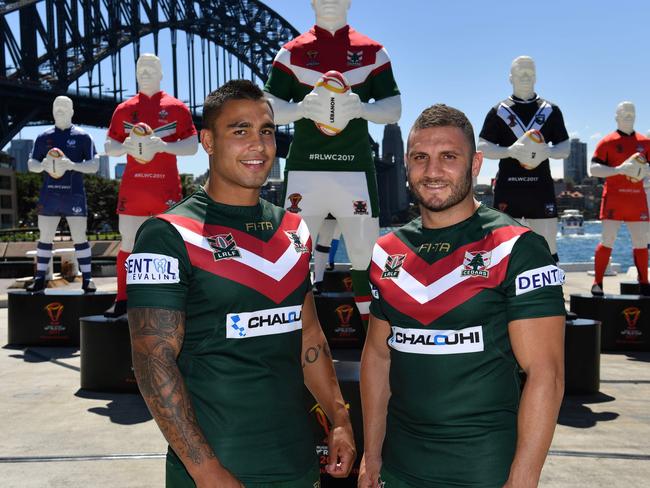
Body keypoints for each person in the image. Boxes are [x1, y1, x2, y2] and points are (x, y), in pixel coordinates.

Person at [127, 80, 355, 487]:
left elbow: (307, 334)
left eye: (266, 130)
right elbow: (152, 363)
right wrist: (205, 470)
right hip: (217, 470)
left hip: (298, 463)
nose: (259, 144)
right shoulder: (167, 234)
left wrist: (339, 417)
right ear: (208, 141)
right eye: (240, 130)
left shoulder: (293, 228)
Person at [359, 104, 565, 488]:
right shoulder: (387, 250)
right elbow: (379, 355)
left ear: (475, 165)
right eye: (421, 157)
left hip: (484, 469)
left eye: (449, 157)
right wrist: (371, 455)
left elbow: (546, 375)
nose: (433, 171)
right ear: (406, 164)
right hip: (399, 467)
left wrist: (523, 478)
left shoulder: (517, 247)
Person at [264, 0, 401, 324]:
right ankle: (293, 346)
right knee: (291, 260)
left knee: (365, 259)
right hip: (304, 173)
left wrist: (361, 108)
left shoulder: (372, 52)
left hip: (354, 171)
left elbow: (393, 108)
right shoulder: (291, 53)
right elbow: (266, 107)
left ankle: (376, 351)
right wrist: (300, 109)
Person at [104, 53, 198, 317]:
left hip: (165, 189)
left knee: (170, 244)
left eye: (150, 67)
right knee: (128, 242)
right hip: (134, 188)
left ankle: (172, 300)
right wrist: (125, 146)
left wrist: (164, 146)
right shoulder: (123, 109)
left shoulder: (177, 107)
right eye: (140, 68)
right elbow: (109, 145)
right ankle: (122, 299)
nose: (145, 72)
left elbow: (192, 146)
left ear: (161, 72)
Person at [478, 56, 570, 262]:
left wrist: (549, 151)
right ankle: (504, 293)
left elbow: (565, 148)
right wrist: (509, 151)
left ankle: (552, 293)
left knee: (548, 247)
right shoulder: (499, 111)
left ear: (536, 76)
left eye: (530, 72)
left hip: (541, 188)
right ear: (510, 78)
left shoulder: (550, 110)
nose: (526, 77)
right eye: (520, 73)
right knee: (503, 248)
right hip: (509, 188)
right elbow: (482, 147)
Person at [27, 96, 99, 293]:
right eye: (56, 106)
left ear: (72, 111)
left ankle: (87, 279)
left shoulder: (83, 137)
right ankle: (40, 278)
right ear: (51, 110)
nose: (60, 109)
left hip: (74, 194)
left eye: (65, 106)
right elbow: (31, 163)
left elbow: (95, 165)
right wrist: (41, 165)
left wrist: (73, 165)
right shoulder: (43, 137)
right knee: (45, 237)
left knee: (79, 236)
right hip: (49, 195)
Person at [590, 101, 650, 296]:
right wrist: (619, 170)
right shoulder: (608, 142)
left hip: (637, 200)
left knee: (641, 241)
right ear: (616, 116)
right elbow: (593, 169)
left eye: (632, 112)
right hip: (614, 199)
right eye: (624, 113)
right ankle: (597, 283)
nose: (628, 115)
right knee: (608, 239)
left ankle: (644, 283)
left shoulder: (645, 142)